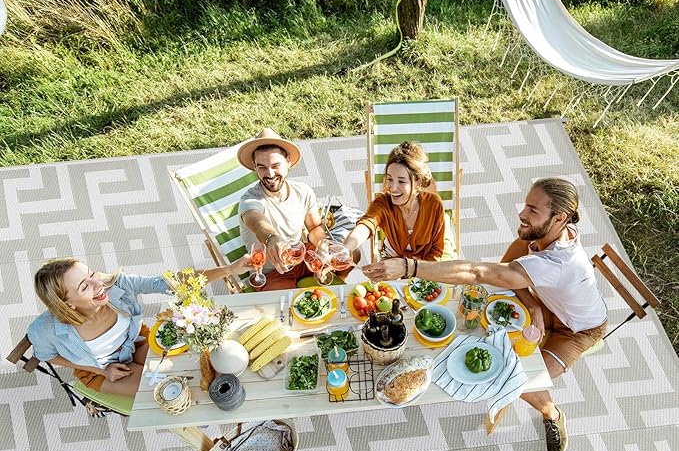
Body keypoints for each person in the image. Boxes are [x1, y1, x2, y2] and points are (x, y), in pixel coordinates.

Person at [363, 177, 607, 451]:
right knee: (483, 329)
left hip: (579, 330)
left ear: (559, 218)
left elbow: (479, 273)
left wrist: (410, 267)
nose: (522, 214)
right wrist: (534, 306)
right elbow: (505, 270)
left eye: (533, 210)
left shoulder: (559, 263)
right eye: (526, 205)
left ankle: (551, 414)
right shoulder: (548, 232)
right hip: (547, 305)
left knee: (518, 380)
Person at [27, 256, 251, 400]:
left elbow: (169, 283)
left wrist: (229, 269)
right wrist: (102, 371)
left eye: (92, 274)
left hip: (135, 342)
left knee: (189, 367)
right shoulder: (44, 330)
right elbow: (46, 355)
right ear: (67, 304)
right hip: (100, 369)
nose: (98, 284)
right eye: (85, 286)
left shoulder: (117, 285)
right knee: (168, 393)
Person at [238, 128, 328, 290]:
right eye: (262, 167)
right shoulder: (249, 201)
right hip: (273, 271)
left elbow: (314, 227)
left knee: (351, 254)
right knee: (286, 303)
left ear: (288, 162)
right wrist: (272, 239)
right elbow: (258, 223)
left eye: (275, 165)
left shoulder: (303, 191)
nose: (270, 174)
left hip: (300, 257)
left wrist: (322, 245)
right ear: (254, 167)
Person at [343, 141, 446, 262]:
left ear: (418, 182)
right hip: (393, 265)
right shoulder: (383, 203)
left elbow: (436, 253)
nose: (393, 188)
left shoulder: (434, 205)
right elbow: (365, 225)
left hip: (426, 268)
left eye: (401, 181)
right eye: (389, 179)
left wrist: (412, 270)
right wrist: (345, 249)